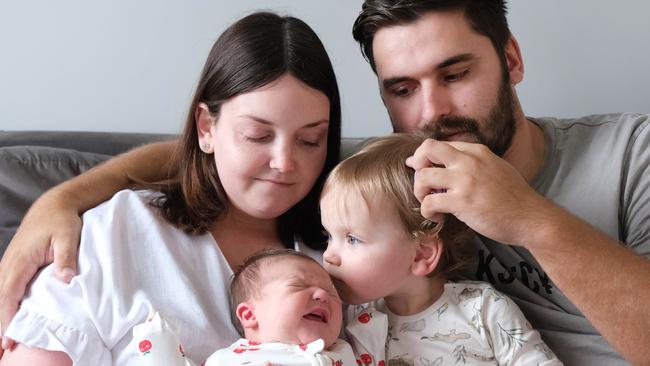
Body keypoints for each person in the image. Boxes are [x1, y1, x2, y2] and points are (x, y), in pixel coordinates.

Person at [1, 0, 649, 364]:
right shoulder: (378, 196)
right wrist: (65, 196)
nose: (430, 113)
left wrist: (527, 216)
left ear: (511, 59)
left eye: (455, 73)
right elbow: (225, 155)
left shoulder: (628, 154)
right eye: (402, 89)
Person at [0, 10, 342, 365]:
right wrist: (61, 199)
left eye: (309, 140)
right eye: (258, 135)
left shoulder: (345, 252)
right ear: (207, 128)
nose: (284, 162)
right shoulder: (119, 232)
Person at [320, 133, 562, 366]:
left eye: (351, 239)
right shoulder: (343, 318)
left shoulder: (483, 310)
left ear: (421, 255)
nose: (328, 255)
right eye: (329, 236)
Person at [132, 249, 356, 366]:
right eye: (300, 286)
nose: (322, 295)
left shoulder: (348, 352)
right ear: (249, 315)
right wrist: (159, 347)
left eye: (332, 292)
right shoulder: (229, 360)